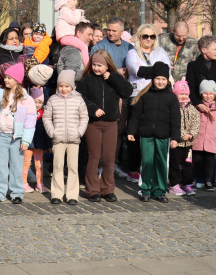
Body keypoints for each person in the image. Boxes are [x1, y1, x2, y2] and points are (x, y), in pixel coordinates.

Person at [77, 51, 133, 202]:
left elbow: (127, 91)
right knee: (94, 156)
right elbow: (81, 99)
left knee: (109, 158)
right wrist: (93, 108)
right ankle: (92, 190)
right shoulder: (87, 80)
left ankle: (107, 189)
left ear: (107, 65)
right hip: (94, 123)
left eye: (100, 65)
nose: (96, 68)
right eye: (94, 65)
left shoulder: (113, 78)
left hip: (111, 123)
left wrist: (114, 78)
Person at [0, 62, 35, 204]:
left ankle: (16, 192)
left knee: (16, 166)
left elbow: (30, 121)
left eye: (9, 78)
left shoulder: (26, 99)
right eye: (5, 77)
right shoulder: (0, 95)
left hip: (17, 137)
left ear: (17, 80)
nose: (6, 80)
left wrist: (26, 140)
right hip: (1, 135)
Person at [127, 63, 180, 203]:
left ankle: (160, 190)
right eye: (157, 79)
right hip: (146, 135)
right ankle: (145, 189)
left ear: (168, 80)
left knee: (161, 163)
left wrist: (175, 137)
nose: (160, 82)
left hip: (163, 136)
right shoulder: (145, 96)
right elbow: (136, 116)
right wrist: (131, 131)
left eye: (163, 79)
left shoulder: (171, 98)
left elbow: (176, 120)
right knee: (147, 162)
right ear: (152, 79)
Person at [43, 70, 88, 205]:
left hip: (74, 139)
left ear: (72, 86)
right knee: (57, 166)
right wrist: (52, 132)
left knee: (73, 167)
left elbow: (84, 117)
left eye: (67, 86)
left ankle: (72, 195)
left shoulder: (78, 99)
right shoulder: (53, 100)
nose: (64, 89)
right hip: (58, 139)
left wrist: (79, 132)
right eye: (61, 86)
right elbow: (46, 117)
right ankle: (56, 193)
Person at [192, 80, 216, 192]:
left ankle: (208, 180)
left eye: (211, 93)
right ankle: (196, 179)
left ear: (215, 94)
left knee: (209, 162)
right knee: (197, 161)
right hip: (198, 140)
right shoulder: (197, 108)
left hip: (212, 141)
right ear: (201, 94)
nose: (208, 96)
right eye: (205, 93)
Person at [169, 79, 201, 197]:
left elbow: (196, 123)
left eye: (186, 94)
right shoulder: (173, 108)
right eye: (181, 94)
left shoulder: (192, 109)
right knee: (175, 164)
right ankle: (174, 184)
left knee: (188, 164)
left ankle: (187, 183)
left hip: (188, 144)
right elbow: (173, 123)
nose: (183, 96)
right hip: (177, 143)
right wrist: (181, 136)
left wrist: (191, 134)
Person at [54, 0, 89, 67]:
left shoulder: (67, 10)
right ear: (67, 0)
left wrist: (84, 20)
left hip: (67, 36)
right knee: (83, 46)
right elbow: (75, 20)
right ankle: (87, 66)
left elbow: (74, 19)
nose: (76, 2)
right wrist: (77, 11)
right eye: (74, 0)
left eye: (77, 0)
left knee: (81, 46)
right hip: (65, 36)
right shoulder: (64, 10)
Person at [23, 88, 50, 192]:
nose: (37, 104)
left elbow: (46, 131)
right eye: (35, 102)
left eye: (40, 102)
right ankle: (24, 182)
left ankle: (40, 183)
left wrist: (48, 145)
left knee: (39, 164)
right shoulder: (27, 112)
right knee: (26, 163)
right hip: (28, 143)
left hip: (39, 143)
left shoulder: (44, 114)